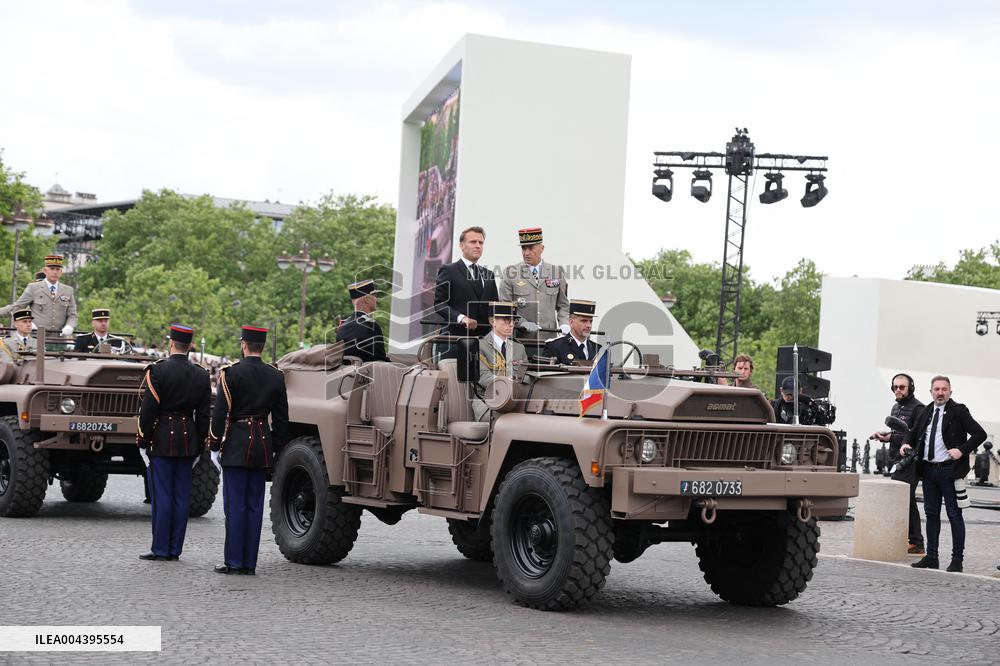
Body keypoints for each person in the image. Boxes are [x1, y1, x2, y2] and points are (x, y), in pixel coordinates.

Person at [210, 326, 289, 575]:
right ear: (261, 347)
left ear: (244, 345)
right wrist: (274, 448)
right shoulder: (275, 376)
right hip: (262, 445)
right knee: (254, 507)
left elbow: (220, 412)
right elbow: (282, 420)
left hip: (236, 443)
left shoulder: (231, 374)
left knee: (235, 506)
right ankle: (249, 563)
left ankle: (233, 561)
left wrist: (214, 444)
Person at [136, 324, 212, 562]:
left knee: (163, 496)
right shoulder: (201, 374)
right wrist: (200, 446)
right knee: (181, 497)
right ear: (190, 346)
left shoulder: (158, 371)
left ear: (171, 343)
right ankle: (174, 549)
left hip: (162, 439)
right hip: (188, 439)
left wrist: (142, 439)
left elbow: (148, 411)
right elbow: (203, 416)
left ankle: (160, 548)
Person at [901, 376, 985, 573]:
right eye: (937, 389)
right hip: (929, 471)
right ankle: (931, 557)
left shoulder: (959, 411)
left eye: (944, 389)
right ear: (931, 392)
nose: (940, 393)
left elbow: (979, 434)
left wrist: (962, 450)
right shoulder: (926, 411)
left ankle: (957, 560)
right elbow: (912, 433)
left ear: (950, 392)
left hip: (950, 470)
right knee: (931, 515)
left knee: (954, 515)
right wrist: (906, 443)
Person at [871, 373, 925, 555]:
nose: (898, 390)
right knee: (903, 501)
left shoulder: (918, 409)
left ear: (911, 388)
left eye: (902, 387)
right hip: (896, 459)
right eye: (895, 387)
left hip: (911, 461)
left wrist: (893, 437)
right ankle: (911, 540)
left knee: (906, 500)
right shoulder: (895, 408)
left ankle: (917, 542)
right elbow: (899, 433)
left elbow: (915, 436)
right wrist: (885, 437)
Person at [498, 227, 570, 357]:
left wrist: (564, 323)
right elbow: (505, 306)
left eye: (530, 248)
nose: (526, 253)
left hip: (548, 339)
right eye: (523, 248)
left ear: (541, 248)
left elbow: (563, 305)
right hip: (521, 340)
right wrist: (521, 322)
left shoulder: (556, 272)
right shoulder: (510, 273)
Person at [433, 226, 499, 341]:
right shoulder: (448, 270)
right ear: (462, 245)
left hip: (485, 341)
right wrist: (462, 318)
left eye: (481, 243)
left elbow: (494, 306)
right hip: (456, 338)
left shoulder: (489, 274)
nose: (478, 246)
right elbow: (440, 304)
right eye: (473, 242)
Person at [475, 302, 528, 420]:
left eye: (514, 321)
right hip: (488, 403)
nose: (511, 324)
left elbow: (526, 375)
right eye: (506, 320)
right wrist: (509, 383)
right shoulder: (478, 346)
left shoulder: (519, 348)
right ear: (492, 321)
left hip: (515, 402)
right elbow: (483, 377)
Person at [0, 255, 77, 336]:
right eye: (52, 269)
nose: (55, 272)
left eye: (58, 269)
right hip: (36, 337)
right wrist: (30, 323)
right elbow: (16, 307)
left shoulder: (68, 290)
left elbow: (72, 314)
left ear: (61, 272)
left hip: (59, 339)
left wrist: (70, 326)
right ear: (45, 270)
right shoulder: (33, 288)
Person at [336, 279, 389, 362]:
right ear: (367, 299)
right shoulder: (371, 326)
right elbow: (381, 360)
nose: (376, 299)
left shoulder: (342, 326)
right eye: (374, 295)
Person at [543, 300, 602, 365]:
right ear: (571, 322)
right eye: (584, 321)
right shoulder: (555, 347)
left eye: (590, 321)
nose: (588, 325)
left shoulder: (598, 349)